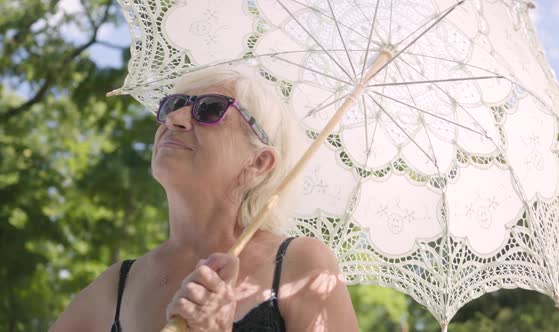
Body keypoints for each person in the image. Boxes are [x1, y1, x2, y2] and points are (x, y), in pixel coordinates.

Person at [50, 67, 359, 332]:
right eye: (174, 103)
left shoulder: (302, 263)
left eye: (211, 109)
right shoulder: (116, 285)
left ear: (258, 163)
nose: (176, 119)